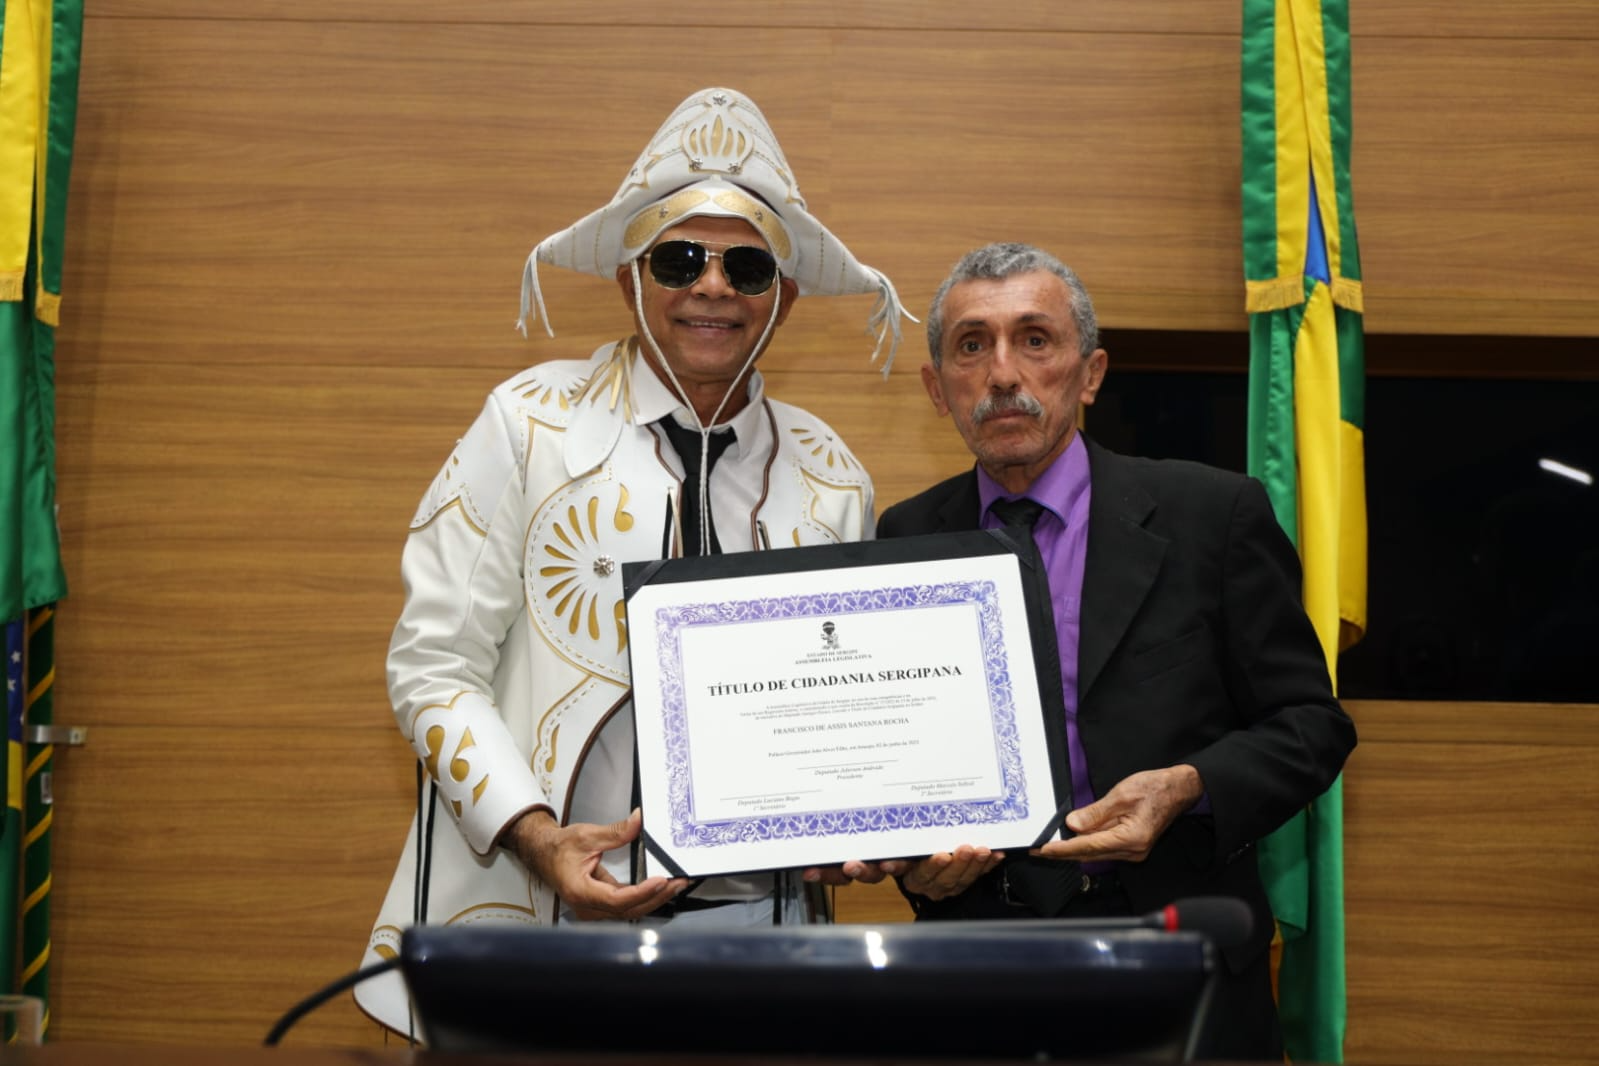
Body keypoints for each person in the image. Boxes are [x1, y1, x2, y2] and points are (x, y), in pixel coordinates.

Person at [355, 87, 911, 1035]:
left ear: (784, 299)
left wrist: (866, 816)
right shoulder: (528, 425)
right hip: (534, 902)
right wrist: (537, 839)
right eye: (679, 259)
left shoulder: (832, 474)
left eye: (747, 265)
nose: (713, 286)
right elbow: (432, 667)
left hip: (762, 930)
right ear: (628, 279)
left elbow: (845, 705)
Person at [876, 242, 1357, 1061]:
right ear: (935, 387)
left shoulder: (1211, 514)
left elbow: (1311, 724)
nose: (1002, 373)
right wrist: (912, 861)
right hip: (975, 959)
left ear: (1090, 372)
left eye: (1034, 339)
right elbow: (902, 742)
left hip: (1175, 956)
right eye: (971, 345)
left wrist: (1189, 785)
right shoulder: (907, 534)